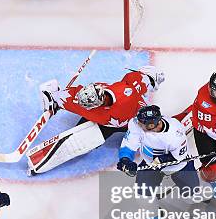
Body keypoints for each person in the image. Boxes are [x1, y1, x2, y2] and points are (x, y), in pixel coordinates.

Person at [117, 105, 216, 219]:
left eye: (142, 124)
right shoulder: (136, 124)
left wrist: (158, 163)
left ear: (153, 125)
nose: (138, 125)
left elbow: (178, 158)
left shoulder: (175, 133)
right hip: (149, 164)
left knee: (191, 198)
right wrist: (125, 160)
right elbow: (128, 145)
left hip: (179, 166)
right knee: (143, 196)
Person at [28, 66, 165, 174]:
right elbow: (120, 93)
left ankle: (55, 97)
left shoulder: (134, 89)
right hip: (119, 120)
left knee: (84, 107)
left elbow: (117, 94)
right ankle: (55, 97)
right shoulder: (136, 87)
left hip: (112, 118)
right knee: (90, 120)